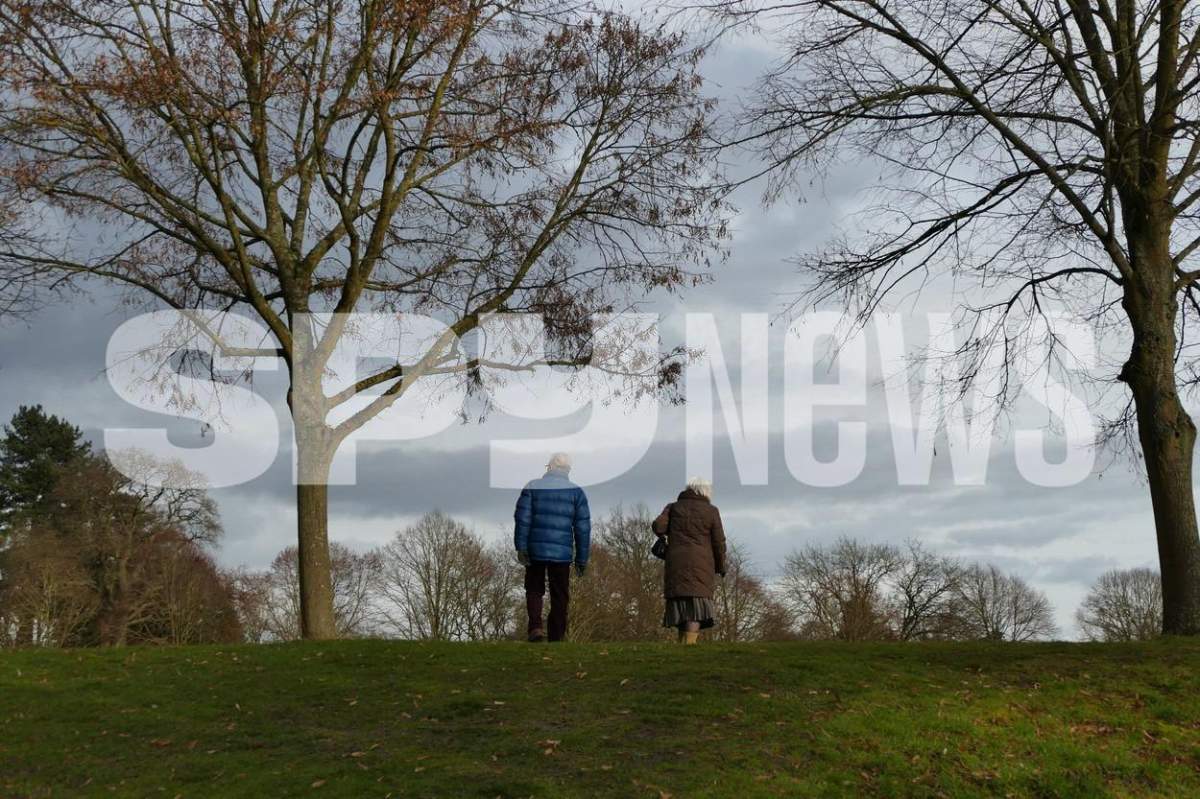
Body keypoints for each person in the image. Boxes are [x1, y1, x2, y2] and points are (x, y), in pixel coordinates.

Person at [514, 452, 591, 642]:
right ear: (568, 470)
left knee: (534, 589)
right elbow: (582, 528)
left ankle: (535, 628)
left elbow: (522, 520)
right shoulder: (576, 492)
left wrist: (521, 547)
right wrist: (581, 558)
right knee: (560, 595)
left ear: (549, 467)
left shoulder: (532, 487)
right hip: (562, 554)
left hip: (535, 549)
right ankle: (556, 636)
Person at [652, 477, 726, 644]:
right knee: (696, 609)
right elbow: (719, 542)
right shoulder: (711, 511)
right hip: (702, 565)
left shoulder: (673, 507)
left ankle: (682, 645)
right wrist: (721, 566)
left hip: (676, 562)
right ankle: (690, 645)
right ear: (706, 491)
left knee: (680, 605)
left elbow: (658, 527)